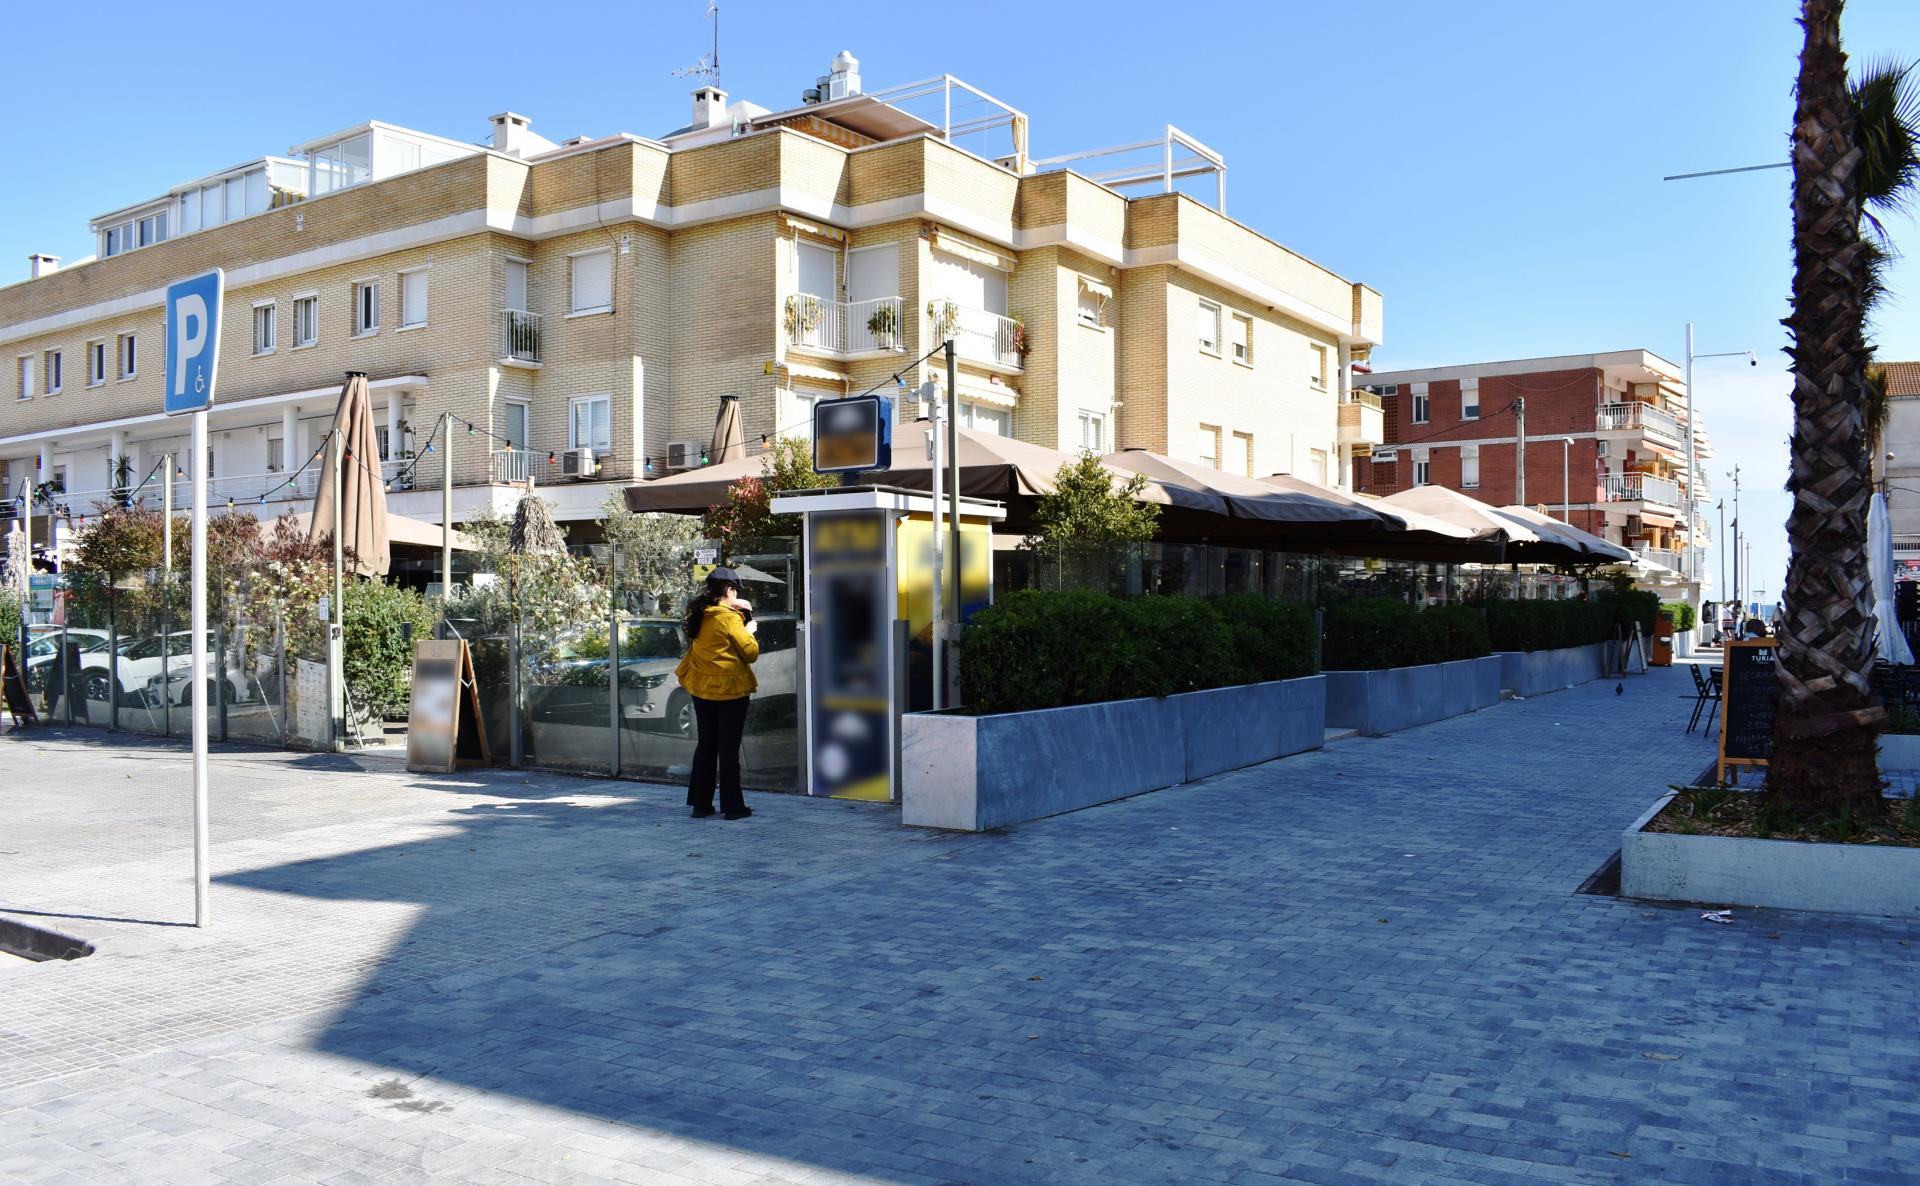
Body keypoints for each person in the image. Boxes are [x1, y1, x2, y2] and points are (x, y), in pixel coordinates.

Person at [675, 568, 760, 820]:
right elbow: (750, 653)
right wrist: (749, 629)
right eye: (735, 590)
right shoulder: (730, 619)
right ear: (729, 590)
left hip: (702, 689)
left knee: (706, 746)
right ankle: (733, 807)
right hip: (730, 692)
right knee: (728, 750)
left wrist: (736, 608)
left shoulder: (701, 613)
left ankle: (701, 805)